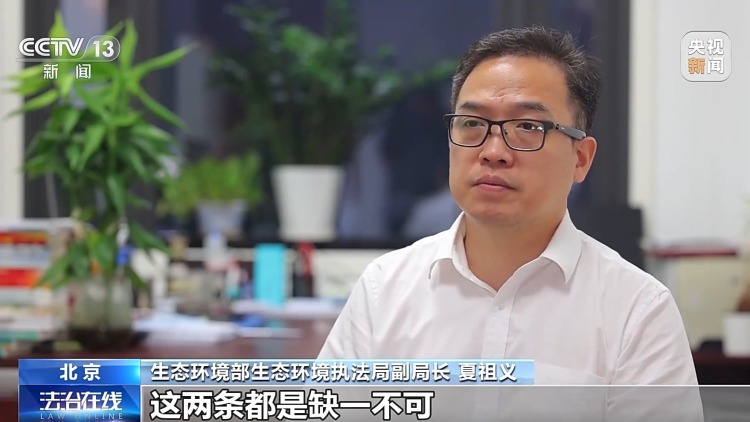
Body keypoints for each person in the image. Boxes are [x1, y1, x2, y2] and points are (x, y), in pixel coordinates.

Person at [317, 26, 702, 418]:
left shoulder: (637, 310)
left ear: (581, 158)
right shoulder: (385, 288)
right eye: (472, 123)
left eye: (528, 127)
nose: (493, 151)